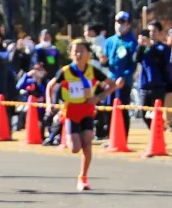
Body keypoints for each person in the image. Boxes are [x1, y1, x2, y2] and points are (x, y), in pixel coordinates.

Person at [45, 39, 114, 191]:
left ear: (88, 54)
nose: (78, 53)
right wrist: (49, 103)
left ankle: (83, 177)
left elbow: (112, 84)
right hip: (71, 112)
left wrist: (98, 98)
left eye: (82, 50)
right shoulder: (65, 71)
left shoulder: (93, 70)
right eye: (75, 51)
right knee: (75, 148)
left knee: (87, 142)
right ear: (70, 54)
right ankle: (69, 133)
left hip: (87, 110)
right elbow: (50, 85)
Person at [104, 11, 139, 139]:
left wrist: (124, 76)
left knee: (122, 108)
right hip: (110, 80)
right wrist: (103, 61)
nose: (119, 25)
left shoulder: (132, 42)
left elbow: (133, 64)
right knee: (108, 108)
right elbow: (106, 61)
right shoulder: (109, 41)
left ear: (129, 24)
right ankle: (110, 136)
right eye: (117, 22)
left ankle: (122, 137)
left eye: (122, 22)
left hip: (123, 82)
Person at [134, 20, 172, 129]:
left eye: (154, 31)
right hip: (144, 85)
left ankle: (158, 134)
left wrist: (151, 47)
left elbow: (162, 62)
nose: (151, 33)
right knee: (144, 113)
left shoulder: (163, 48)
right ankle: (156, 131)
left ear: (160, 33)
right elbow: (136, 59)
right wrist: (140, 46)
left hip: (158, 85)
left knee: (156, 114)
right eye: (149, 31)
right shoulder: (144, 47)